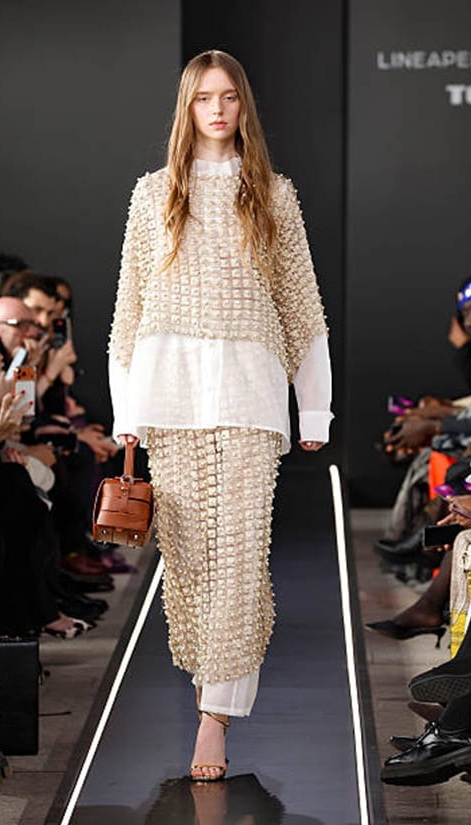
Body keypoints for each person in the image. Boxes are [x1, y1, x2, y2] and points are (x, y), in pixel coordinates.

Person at [109, 50, 332, 781]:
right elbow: (129, 311)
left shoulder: (272, 193)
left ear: (243, 106)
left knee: (239, 554)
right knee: (189, 560)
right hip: (168, 395)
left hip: (250, 393)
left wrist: (315, 408)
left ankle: (215, 717)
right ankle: (210, 686)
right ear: (187, 106)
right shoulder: (153, 194)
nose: (216, 109)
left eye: (228, 96)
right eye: (204, 97)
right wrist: (126, 409)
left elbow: (301, 305)